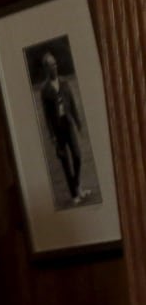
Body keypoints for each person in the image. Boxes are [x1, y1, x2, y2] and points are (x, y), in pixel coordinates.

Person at [39, 49, 89, 206]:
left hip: (68, 124)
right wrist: (52, 136)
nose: (55, 67)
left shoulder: (65, 82)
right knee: (65, 162)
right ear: (46, 69)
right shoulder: (44, 90)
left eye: (55, 64)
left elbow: (72, 103)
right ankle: (75, 194)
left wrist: (78, 122)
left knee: (78, 156)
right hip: (58, 130)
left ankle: (77, 185)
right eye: (51, 65)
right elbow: (47, 116)